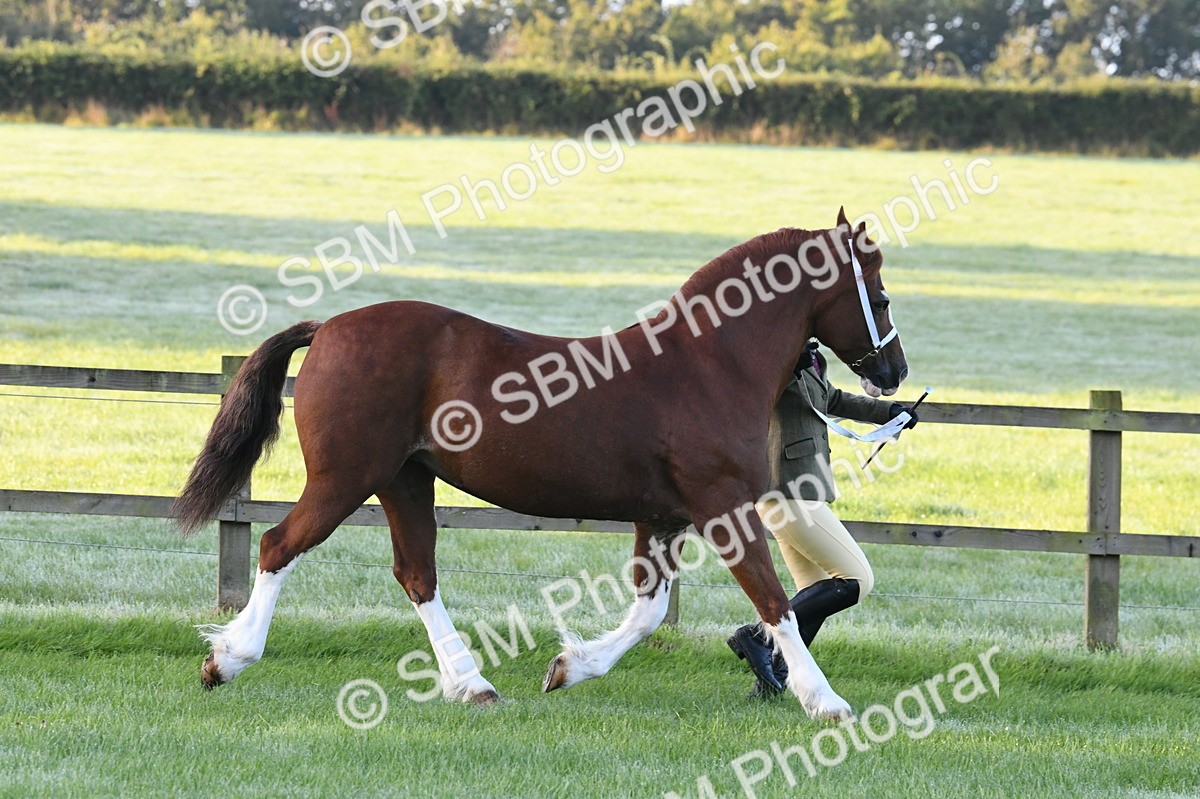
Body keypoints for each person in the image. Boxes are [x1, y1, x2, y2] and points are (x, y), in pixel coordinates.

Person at [727, 340, 917, 698]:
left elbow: (831, 399)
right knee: (856, 579)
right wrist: (784, 359)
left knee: (814, 592)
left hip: (801, 489)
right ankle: (757, 637)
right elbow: (752, 390)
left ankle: (772, 683)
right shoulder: (772, 356)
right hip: (787, 490)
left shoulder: (811, 357)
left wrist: (889, 411)